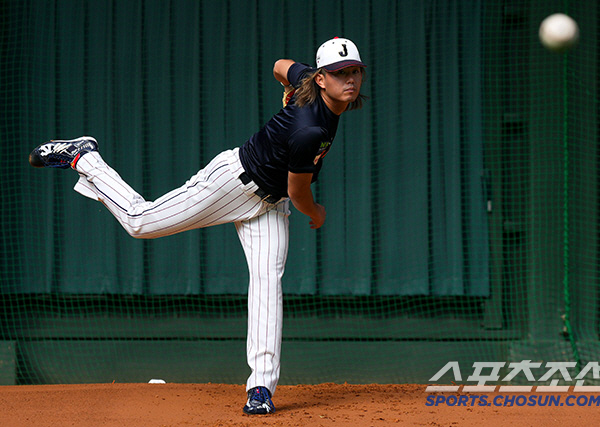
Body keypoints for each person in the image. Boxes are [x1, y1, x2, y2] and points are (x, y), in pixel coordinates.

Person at [28, 37, 366, 415]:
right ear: (321, 79)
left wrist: (289, 85)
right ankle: (85, 158)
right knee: (141, 222)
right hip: (234, 182)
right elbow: (298, 190)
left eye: (354, 71)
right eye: (339, 74)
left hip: (270, 204)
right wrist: (316, 213)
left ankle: (260, 389)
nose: (349, 79)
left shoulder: (311, 85)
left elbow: (279, 64)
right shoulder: (308, 128)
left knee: (268, 284)